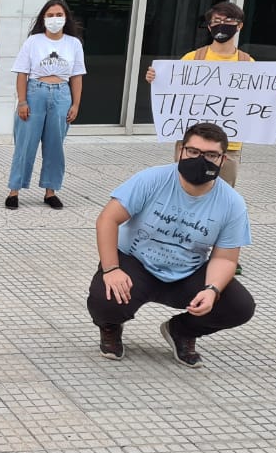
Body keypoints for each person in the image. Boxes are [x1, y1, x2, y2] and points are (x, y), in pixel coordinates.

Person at [87, 122, 255, 369]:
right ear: (180, 151)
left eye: (211, 155)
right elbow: (107, 219)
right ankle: (111, 327)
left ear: (223, 160)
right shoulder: (152, 179)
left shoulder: (232, 203)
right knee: (105, 299)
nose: (201, 160)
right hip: (137, 263)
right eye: (194, 152)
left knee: (239, 306)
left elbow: (226, 258)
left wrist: (212, 290)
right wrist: (111, 269)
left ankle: (182, 331)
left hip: (187, 271)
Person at [143, 0, 276, 189]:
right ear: (209, 26)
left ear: (239, 25)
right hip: (192, 144)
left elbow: (261, 97)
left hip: (229, 147)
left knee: (223, 195)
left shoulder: (248, 63)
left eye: (228, 20)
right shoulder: (192, 58)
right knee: (183, 190)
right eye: (216, 20)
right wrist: (156, 79)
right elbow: (172, 89)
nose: (221, 24)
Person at [5, 0, 86, 210]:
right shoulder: (33, 42)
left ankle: (51, 191)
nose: (54, 19)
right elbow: (22, 73)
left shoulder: (73, 43)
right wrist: (22, 101)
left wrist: (76, 104)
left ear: (66, 17)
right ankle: (15, 190)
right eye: (50, 15)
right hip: (35, 91)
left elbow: (77, 76)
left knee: (55, 145)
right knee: (25, 143)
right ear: (43, 18)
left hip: (61, 93)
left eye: (59, 15)